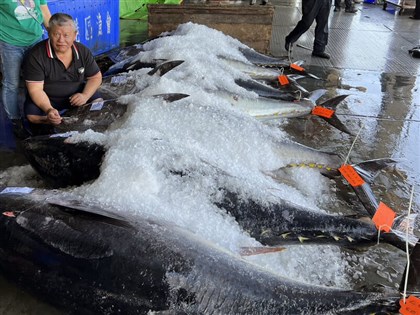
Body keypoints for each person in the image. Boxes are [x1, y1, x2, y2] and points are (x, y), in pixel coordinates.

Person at [23, 13, 102, 135]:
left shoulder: (82, 51)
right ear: (49, 33)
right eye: (56, 34)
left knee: (99, 104)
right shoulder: (36, 55)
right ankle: (54, 120)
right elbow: (36, 90)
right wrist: (48, 109)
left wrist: (85, 96)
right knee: (32, 117)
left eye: (66, 35)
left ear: (75, 35)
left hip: (76, 95)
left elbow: (95, 77)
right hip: (48, 98)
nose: (61, 40)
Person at [0, 0, 51, 138]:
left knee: (36, 81)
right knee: (12, 84)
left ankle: (36, 115)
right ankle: (16, 121)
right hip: (9, 43)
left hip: (35, 39)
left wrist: (54, 34)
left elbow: (44, 10)